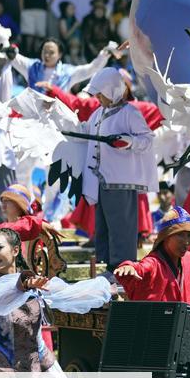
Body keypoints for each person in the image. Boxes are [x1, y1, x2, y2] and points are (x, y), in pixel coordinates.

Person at [0, 227, 111, 378]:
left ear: (15, 250)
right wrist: (25, 281)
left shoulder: (37, 289)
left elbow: (70, 293)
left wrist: (108, 287)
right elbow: (11, 289)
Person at [77, 67, 158, 274]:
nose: (97, 97)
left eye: (100, 93)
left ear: (112, 90)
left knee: (121, 226)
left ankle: (122, 267)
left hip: (120, 181)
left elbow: (147, 139)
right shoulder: (98, 113)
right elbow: (85, 131)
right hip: (101, 180)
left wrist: (128, 142)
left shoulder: (130, 113)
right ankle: (108, 265)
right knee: (105, 226)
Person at [113, 206, 190, 307]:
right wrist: (128, 266)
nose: (186, 242)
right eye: (180, 235)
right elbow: (141, 267)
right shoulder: (154, 262)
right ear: (166, 236)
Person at [10, 37, 123, 94]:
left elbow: (91, 68)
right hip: (33, 118)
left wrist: (105, 53)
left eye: (51, 52)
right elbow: (13, 57)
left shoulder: (68, 72)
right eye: (44, 51)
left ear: (60, 55)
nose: (47, 55)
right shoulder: (31, 66)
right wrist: (4, 41)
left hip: (57, 120)